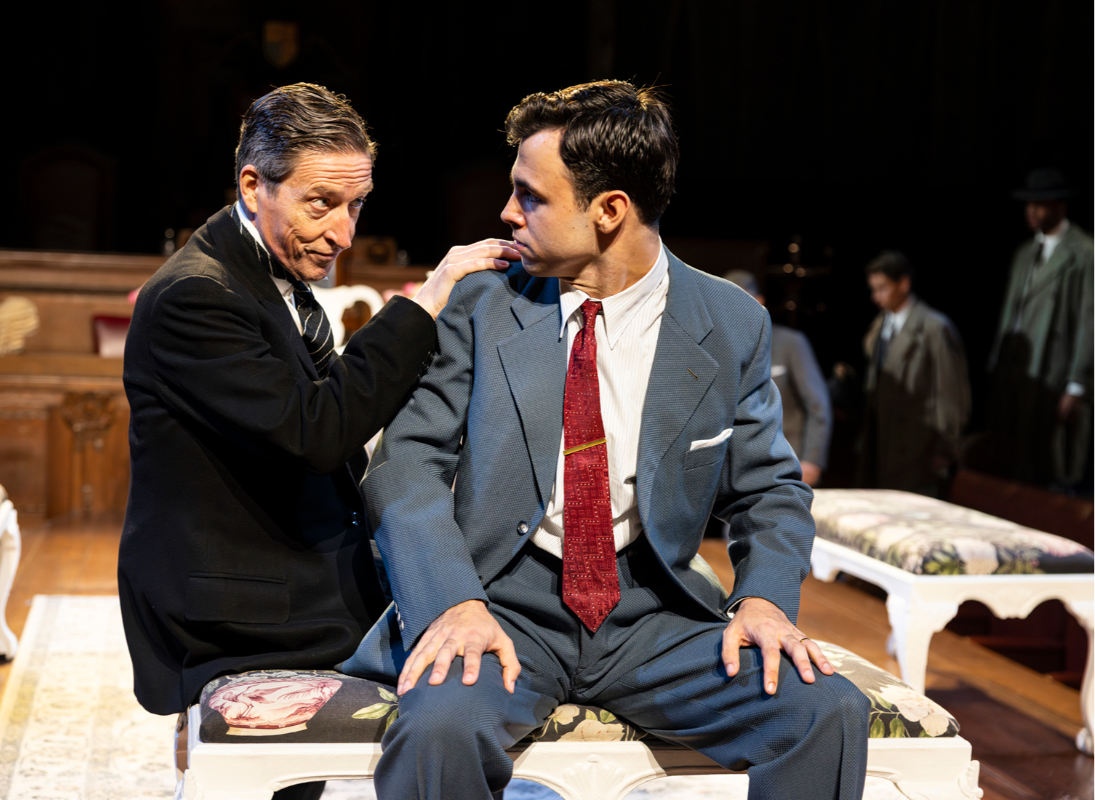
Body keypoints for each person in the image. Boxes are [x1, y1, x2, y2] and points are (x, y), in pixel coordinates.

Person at [342, 81, 869, 800]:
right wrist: (451, 602)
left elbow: (769, 489)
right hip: (502, 606)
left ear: (610, 210)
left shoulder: (730, 321)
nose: (507, 213)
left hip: (654, 615)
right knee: (440, 728)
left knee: (826, 712)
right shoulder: (483, 301)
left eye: (530, 196)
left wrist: (764, 602)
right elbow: (405, 464)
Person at [117, 83, 515, 744]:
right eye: (322, 203)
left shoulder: (262, 269)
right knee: (478, 662)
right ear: (254, 186)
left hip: (281, 571)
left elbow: (335, 410)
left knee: (475, 597)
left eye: (356, 204)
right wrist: (427, 301)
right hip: (234, 610)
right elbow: (318, 432)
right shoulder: (196, 297)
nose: (344, 233)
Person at [987, 168, 1093, 492]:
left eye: (1041, 204)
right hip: (1018, 371)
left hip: (1053, 372)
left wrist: (1077, 383)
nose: (1032, 211)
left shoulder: (1084, 254)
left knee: (1049, 462)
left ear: (1060, 206)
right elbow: (1011, 313)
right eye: (1029, 204)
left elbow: (1089, 320)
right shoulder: (1025, 254)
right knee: (1012, 458)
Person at [858, 251, 970, 496]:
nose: (876, 296)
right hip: (882, 444)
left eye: (882, 288)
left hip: (918, 450)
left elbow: (950, 395)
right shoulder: (880, 325)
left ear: (903, 284)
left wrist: (945, 450)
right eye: (873, 289)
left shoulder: (934, 328)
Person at [724, 270, 832, 486]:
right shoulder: (721, 348)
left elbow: (817, 405)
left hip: (785, 463)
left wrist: (812, 460)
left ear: (759, 302)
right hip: (736, 470)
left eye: (741, 301)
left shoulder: (790, 342)